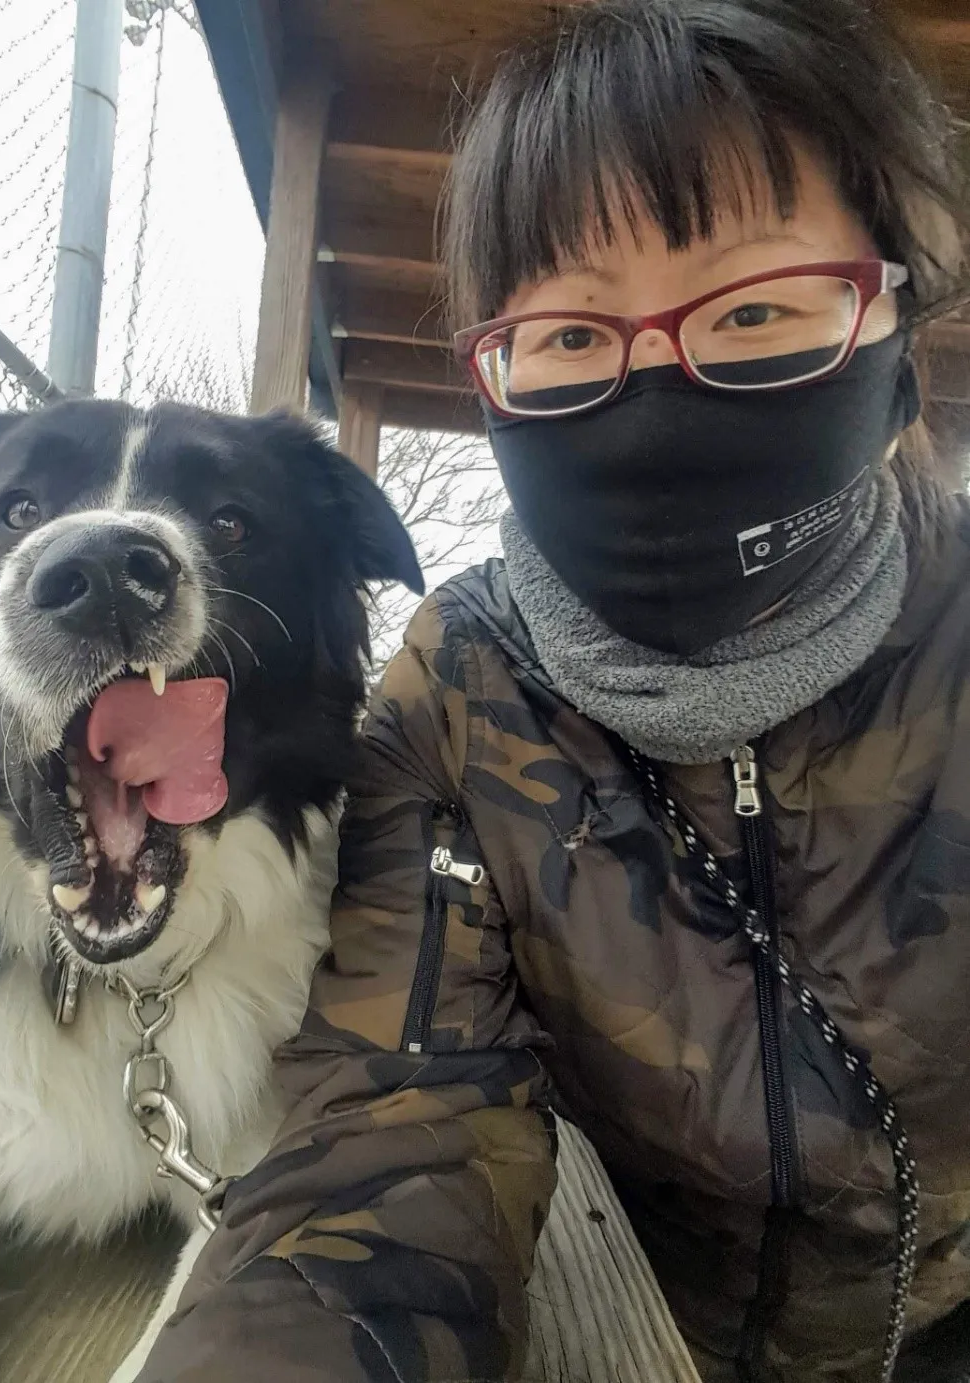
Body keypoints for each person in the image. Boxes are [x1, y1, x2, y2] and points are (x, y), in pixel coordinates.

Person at [139, 2, 970, 1380]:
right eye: (572, 339)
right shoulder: (464, 697)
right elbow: (391, 1135)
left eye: (758, 308)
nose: (654, 386)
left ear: (896, 324)